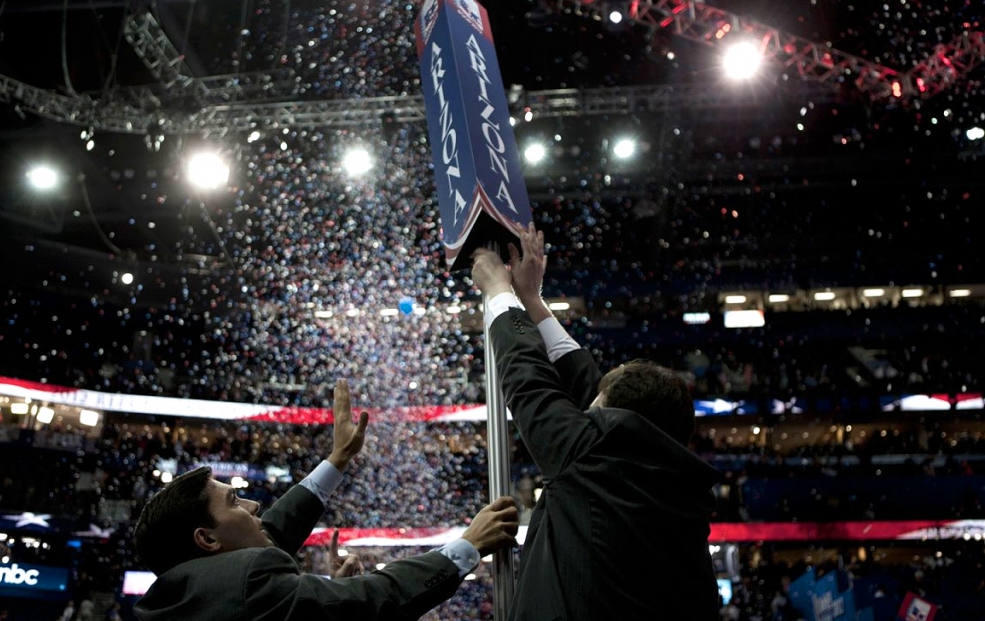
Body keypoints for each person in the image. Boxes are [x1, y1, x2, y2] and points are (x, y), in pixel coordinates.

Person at [470, 224, 721, 620]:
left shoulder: (591, 458)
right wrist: (532, 300)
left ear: (608, 418)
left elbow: (526, 377)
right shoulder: (672, 485)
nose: (583, 410)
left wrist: (499, 291)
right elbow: (592, 389)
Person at [132, 379, 518, 621]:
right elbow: (374, 599)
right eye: (234, 502)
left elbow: (272, 532)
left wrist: (337, 459)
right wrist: (468, 546)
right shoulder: (249, 586)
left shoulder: (183, 594)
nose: (255, 507)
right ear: (208, 540)